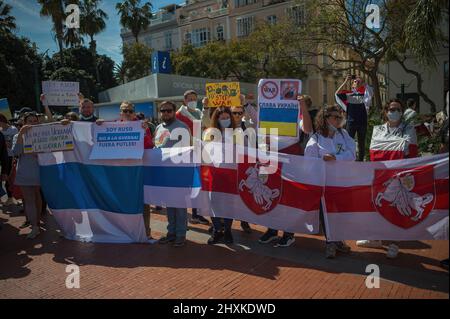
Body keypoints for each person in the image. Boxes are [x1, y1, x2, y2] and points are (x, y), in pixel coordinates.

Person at [357, 99, 418, 258]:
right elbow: (374, 150)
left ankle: (393, 243)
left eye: (398, 109)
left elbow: (409, 149)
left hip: (401, 173)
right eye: (391, 109)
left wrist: (388, 146)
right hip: (381, 173)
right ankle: (375, 237)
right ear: (385, 111)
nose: (394, 112)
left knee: (396, 208)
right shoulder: (378, 129)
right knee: (377, 205)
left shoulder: (409, 129)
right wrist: (395, 145)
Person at [258, 94, 313, 248]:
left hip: (291, 159)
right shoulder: (270, 116)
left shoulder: (298, 117)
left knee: (289, 197)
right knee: (273, 194)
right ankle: (272, 230)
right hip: (272, 158)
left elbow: (308, 129)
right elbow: (261, 133)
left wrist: (302, 106)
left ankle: (289, 234)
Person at [97, 101, 154, 238]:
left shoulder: (141, 126)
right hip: (120, 171)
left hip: (138, 170)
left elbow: (149, 146)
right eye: (124, 111)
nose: (127, 113)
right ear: (120, 113)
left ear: (134, 113)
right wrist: (99, 125)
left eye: (130, 111)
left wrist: (145, 132)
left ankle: (146, 231)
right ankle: (124, 230)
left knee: (143, 202)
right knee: (123, 200)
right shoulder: (113, 125)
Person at [304, 105, 355, 258]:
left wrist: (335, 158)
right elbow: (309, 161)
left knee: (339, 214)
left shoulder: (344, 134)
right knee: (326, 214)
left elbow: (352, 155)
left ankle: (338, 240)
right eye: (335, 117)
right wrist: (321, 160)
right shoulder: (316, 138)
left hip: (342, 183)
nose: (339, 120)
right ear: (325, 119)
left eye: (340, 117)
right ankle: (330, 243)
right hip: (324, 184)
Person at [155, 101, 190, 247]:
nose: (165, 113)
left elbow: (189, 150)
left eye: (169, 111)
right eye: (163, 111)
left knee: (180, 206)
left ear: (174, 111)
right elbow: (155, 147)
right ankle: (171, 233)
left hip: (179, 173)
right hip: (164, 174)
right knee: (169, 205)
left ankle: (181, 234)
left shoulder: (182, 127)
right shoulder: (158, 128)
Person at [176, 90, 210, 225]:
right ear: (184, 100)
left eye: (194, 98)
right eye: (189, 99)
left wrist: (206, 107)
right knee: (187, 186)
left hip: (200, 152)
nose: (192, 100)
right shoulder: (179, 115)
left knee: (198, 183)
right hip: (186, 154)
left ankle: (196, 213)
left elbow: (207, 124)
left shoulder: (198, 112)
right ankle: (183, 216)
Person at [203, 107, 237, 245]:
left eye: (227, 117)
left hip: (231, 175)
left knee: (229, 204)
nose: (225, 120)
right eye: (221, 118)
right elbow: (203, 151)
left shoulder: (238, 133)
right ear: (216, 119)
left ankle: (228, 231)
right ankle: (217, 230)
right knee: (213, 203)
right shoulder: (209, 134)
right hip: (214, 174)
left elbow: (248, 152)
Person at [11, 112, 42, 239]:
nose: (33, 123)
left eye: (35, 121)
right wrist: (21, 135)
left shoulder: (42, 134)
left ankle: (37, 222)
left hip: (39, 171)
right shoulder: (18, 136)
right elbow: (15, 152)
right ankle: (35, 226)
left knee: (37, 197)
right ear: (24, 123)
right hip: (24, 171)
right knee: (29, 200)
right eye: (30, 121)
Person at [335, 75, 373, 161]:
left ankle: (360, 162)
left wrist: (364, 83)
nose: (357, 82)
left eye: (359, 81)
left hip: (362, 122)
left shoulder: (365, 94)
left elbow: (370, 93)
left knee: (361, 143)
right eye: (355, 81)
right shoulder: (348, 94)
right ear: (352, 84)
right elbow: (337, 94)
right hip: (351, 122)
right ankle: (350, 160)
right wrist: (345, 82)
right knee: (349, 143)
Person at [230, 104, 254, 234]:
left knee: (243, 194)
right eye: (234, 113)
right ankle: (224, 222)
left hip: (245, 167)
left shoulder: (248, 125)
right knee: (229, 196)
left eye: (240, 113)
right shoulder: (225, 126)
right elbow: (206, 121)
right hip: (230, 166)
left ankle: (244, 220)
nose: (237, 115)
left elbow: (258, 120)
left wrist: (247, 104)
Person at [0, 114, 18, 205]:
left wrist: (9, 144)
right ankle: (9, 197)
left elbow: (16, 141)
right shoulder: (0, 131)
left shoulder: (13, 129)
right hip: (4, 157)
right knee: (5, 178)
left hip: (11, 156)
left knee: (10, 177)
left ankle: (12, 197)